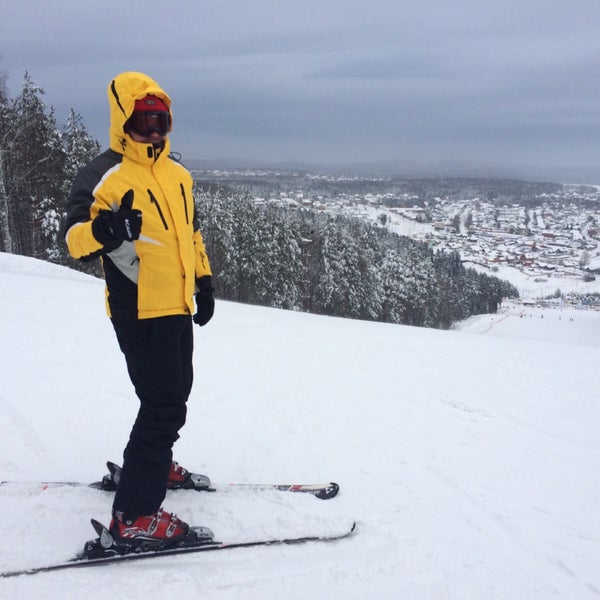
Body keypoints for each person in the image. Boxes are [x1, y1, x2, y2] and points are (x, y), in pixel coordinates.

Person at [64, 71, 214, 548]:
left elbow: (190, 234)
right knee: (163, 404)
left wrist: (204, 280)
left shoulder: (178, 175)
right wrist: (106, 229)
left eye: (161, 120)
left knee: (172, 395)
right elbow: (72, 240)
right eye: (143, 120)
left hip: (176, 304)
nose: (153, 131)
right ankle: (134, 514)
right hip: (137, 307)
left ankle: (151, 465)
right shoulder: (103, 176)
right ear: (122, 121)